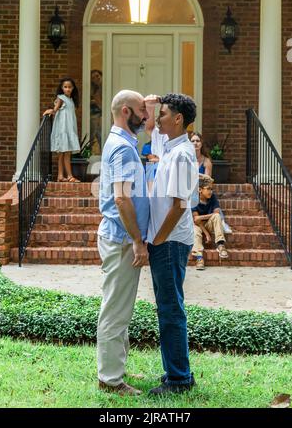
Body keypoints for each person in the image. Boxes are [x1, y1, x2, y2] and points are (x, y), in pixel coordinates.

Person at [97, 89, 149, 396]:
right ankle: (111, 379)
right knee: (115, 311)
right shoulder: (124, 149)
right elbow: (121, 197)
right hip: (121, 239)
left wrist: (149, 106)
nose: (146, 116)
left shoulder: (124, 142)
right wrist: (137, 240)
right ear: (127, 112)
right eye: (142, 111)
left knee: (120, 309)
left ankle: (117, 367)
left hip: (118, 236)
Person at [146, 93, 198, 396]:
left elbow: (180, 205)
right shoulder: (170, 147)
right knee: (168, 307)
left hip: (170, 242)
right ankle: (176, 374)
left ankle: (178, 379)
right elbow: (154, 131)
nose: (159, 117)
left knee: (170, 310)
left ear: (178, 119)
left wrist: (158, 238)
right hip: (166, 241)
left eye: (163, 113)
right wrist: (152, 105)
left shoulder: (181, 154)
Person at [190, 132, 232, 233]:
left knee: (209, 194)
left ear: (201, 143)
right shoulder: (187, 160)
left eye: (198, 141)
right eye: (193, 141)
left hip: (201, 190)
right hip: (190, 190)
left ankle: (221, 222)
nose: (195, 143)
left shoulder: (206, 161)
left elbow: (207, 181)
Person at [43, 77, 80, 183]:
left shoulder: (71, 100)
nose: (67, 89)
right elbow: (55, 110)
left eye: (69, 87)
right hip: (62, 130)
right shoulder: (61, 98)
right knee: (63, 154)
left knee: (66, 153)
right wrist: (49, 111)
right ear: (62, 88)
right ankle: (68, 176)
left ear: (73, 88)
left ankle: (61, 176)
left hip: (69, 129)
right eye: (65, 87)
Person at [192, 177, 229, 270]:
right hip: (198, 225)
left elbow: (217, 213)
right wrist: (207, 234)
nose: (210, 191)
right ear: (200, 190)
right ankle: (199, 258)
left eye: (211, 189)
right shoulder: (194, 199)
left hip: (209, 223)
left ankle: (220, 245)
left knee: (217, 216)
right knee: (195, 231)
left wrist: (203, 217)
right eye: (208, 189)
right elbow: (196, 220)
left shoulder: (212, 197)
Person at [90, 69, 102, 155]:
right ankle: (89, 152)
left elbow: (101, 102)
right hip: (93, 114)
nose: (96, 78)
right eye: (93, 77)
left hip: (101, 113)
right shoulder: (92, 89)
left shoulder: (104, 87)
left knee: (99, 134)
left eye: (97, 76)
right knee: (93, 134)